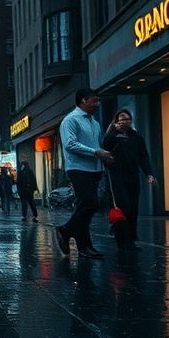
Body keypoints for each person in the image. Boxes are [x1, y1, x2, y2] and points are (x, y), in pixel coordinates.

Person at [56, 88, 113, 259]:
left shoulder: (94, 123)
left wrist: (103, 158)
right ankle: (64, 231)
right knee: (91, 204)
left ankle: (84, 246)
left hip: (94, 169)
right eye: (94, 101)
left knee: (83, 207)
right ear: (82, 101)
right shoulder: (70, 120)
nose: (97, 104)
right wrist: (96, 152)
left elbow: (96, 145)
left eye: (98, 101)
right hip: (78, 168)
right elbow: (70, 144)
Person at [103, 108, 155, 252]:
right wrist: (113, 131)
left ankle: (131, 240)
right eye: (121, 118)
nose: (125, 121)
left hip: (133, 176)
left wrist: (149, 173)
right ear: (116, 121)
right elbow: (105, 146)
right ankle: (121, 241)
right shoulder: (112, 135)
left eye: (127, 118)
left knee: (133, 208)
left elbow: (143, 156)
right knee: (122, 207)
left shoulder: (136, 137)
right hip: (117, 177)